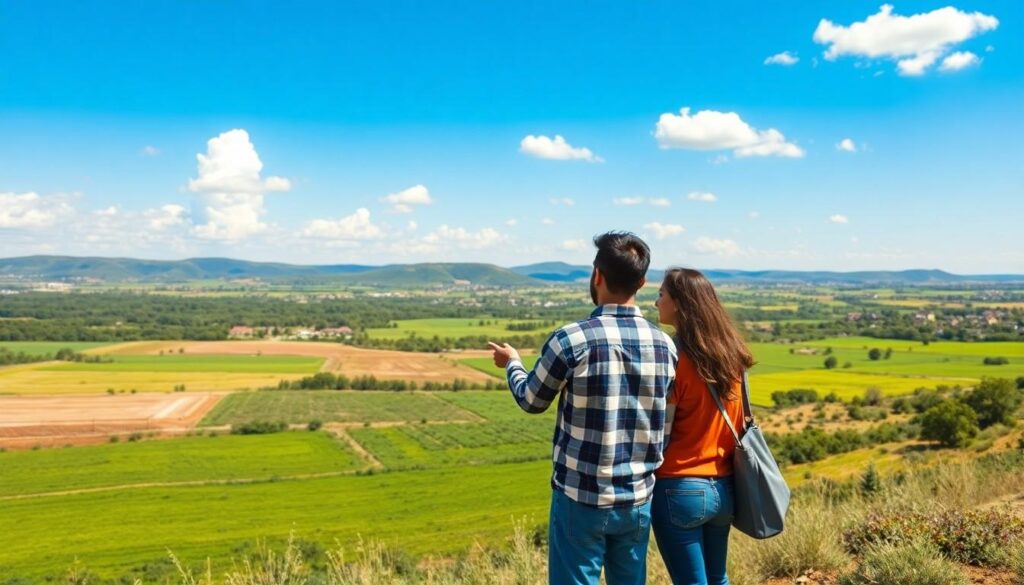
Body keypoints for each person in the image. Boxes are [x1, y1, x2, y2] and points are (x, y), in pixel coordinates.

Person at [489, 231, 677, 585]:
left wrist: (513, 363)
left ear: (596, 275)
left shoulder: (571, 339)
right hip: (638, 498)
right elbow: (665, 425)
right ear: (641, 282)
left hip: (580, 497)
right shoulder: (665, 346)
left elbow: (531, 400)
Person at [651, 268, 755, 585]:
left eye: (661, 295)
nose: (656, 303)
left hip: (679, 487)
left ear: (680, 303)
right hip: (724, 487)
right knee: (717, 578)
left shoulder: (673, 359)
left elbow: (661, 435)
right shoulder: (732, 357)